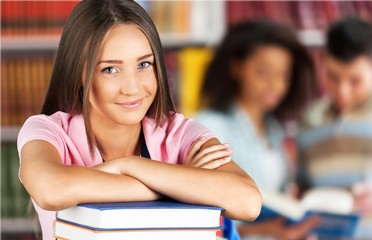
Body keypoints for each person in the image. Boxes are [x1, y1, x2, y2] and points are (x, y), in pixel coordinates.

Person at [16, 1, 262, 239]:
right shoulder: (48, 131)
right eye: (110, 69)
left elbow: (248, 203)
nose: (132, 88)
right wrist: (180, 182)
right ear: (79, 72)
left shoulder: (178, 132)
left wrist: (129, 165)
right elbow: (52, 189)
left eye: (144, 64)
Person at [195, 20, 320, 240]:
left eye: (284, 75)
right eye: (264, 73)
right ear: (236, 67)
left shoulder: (274, 130)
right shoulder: (209, 127)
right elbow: (197, 219)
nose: (276, 85)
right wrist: (263, 231)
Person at [298, 17, 372, 240]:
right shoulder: (309, 121)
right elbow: (303, 190)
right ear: (322, 62)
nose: (343, 91)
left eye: (355, 80)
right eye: (333, 77)